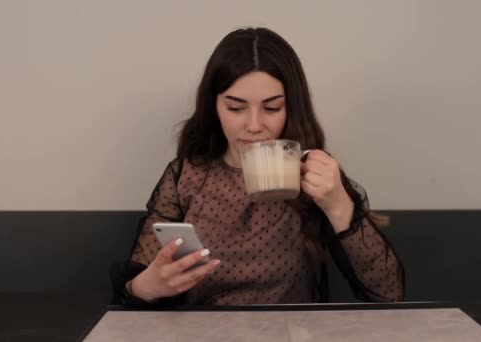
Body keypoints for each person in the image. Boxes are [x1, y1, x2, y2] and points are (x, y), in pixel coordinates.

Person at [111, 27, 404, 306]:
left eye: (272, 108)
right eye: (236, 108)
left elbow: (389, 294)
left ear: (291, 108)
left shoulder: (315, 177)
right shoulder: (186, 176)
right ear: (214, 107)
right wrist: (145, 287)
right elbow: (134, 287)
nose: (253, 126)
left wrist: (339, 204)